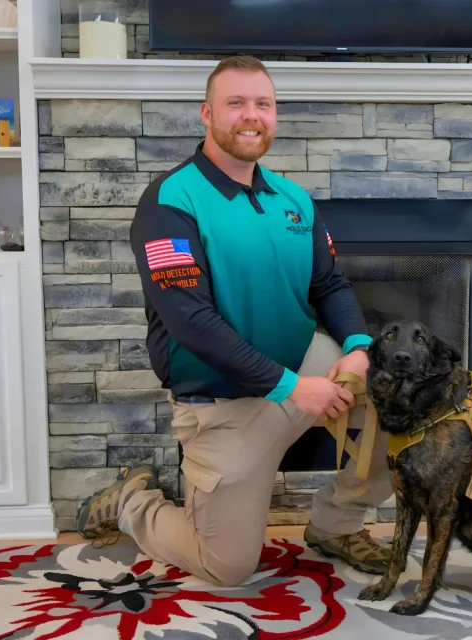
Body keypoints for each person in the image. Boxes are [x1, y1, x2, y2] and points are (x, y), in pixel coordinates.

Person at [75, 56, 395, 587]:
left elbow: (331, 285)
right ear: (207, 113)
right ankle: (133, 501)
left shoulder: (293, 199)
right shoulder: (170, 200)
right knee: (228, 567)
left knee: (397, 389)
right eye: (236, 103)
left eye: (263, 104)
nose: (252, 115)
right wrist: (294, 390)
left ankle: (336, 525)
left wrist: (359, 348)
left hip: (303, 367)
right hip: (225, 403)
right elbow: (191, 321)